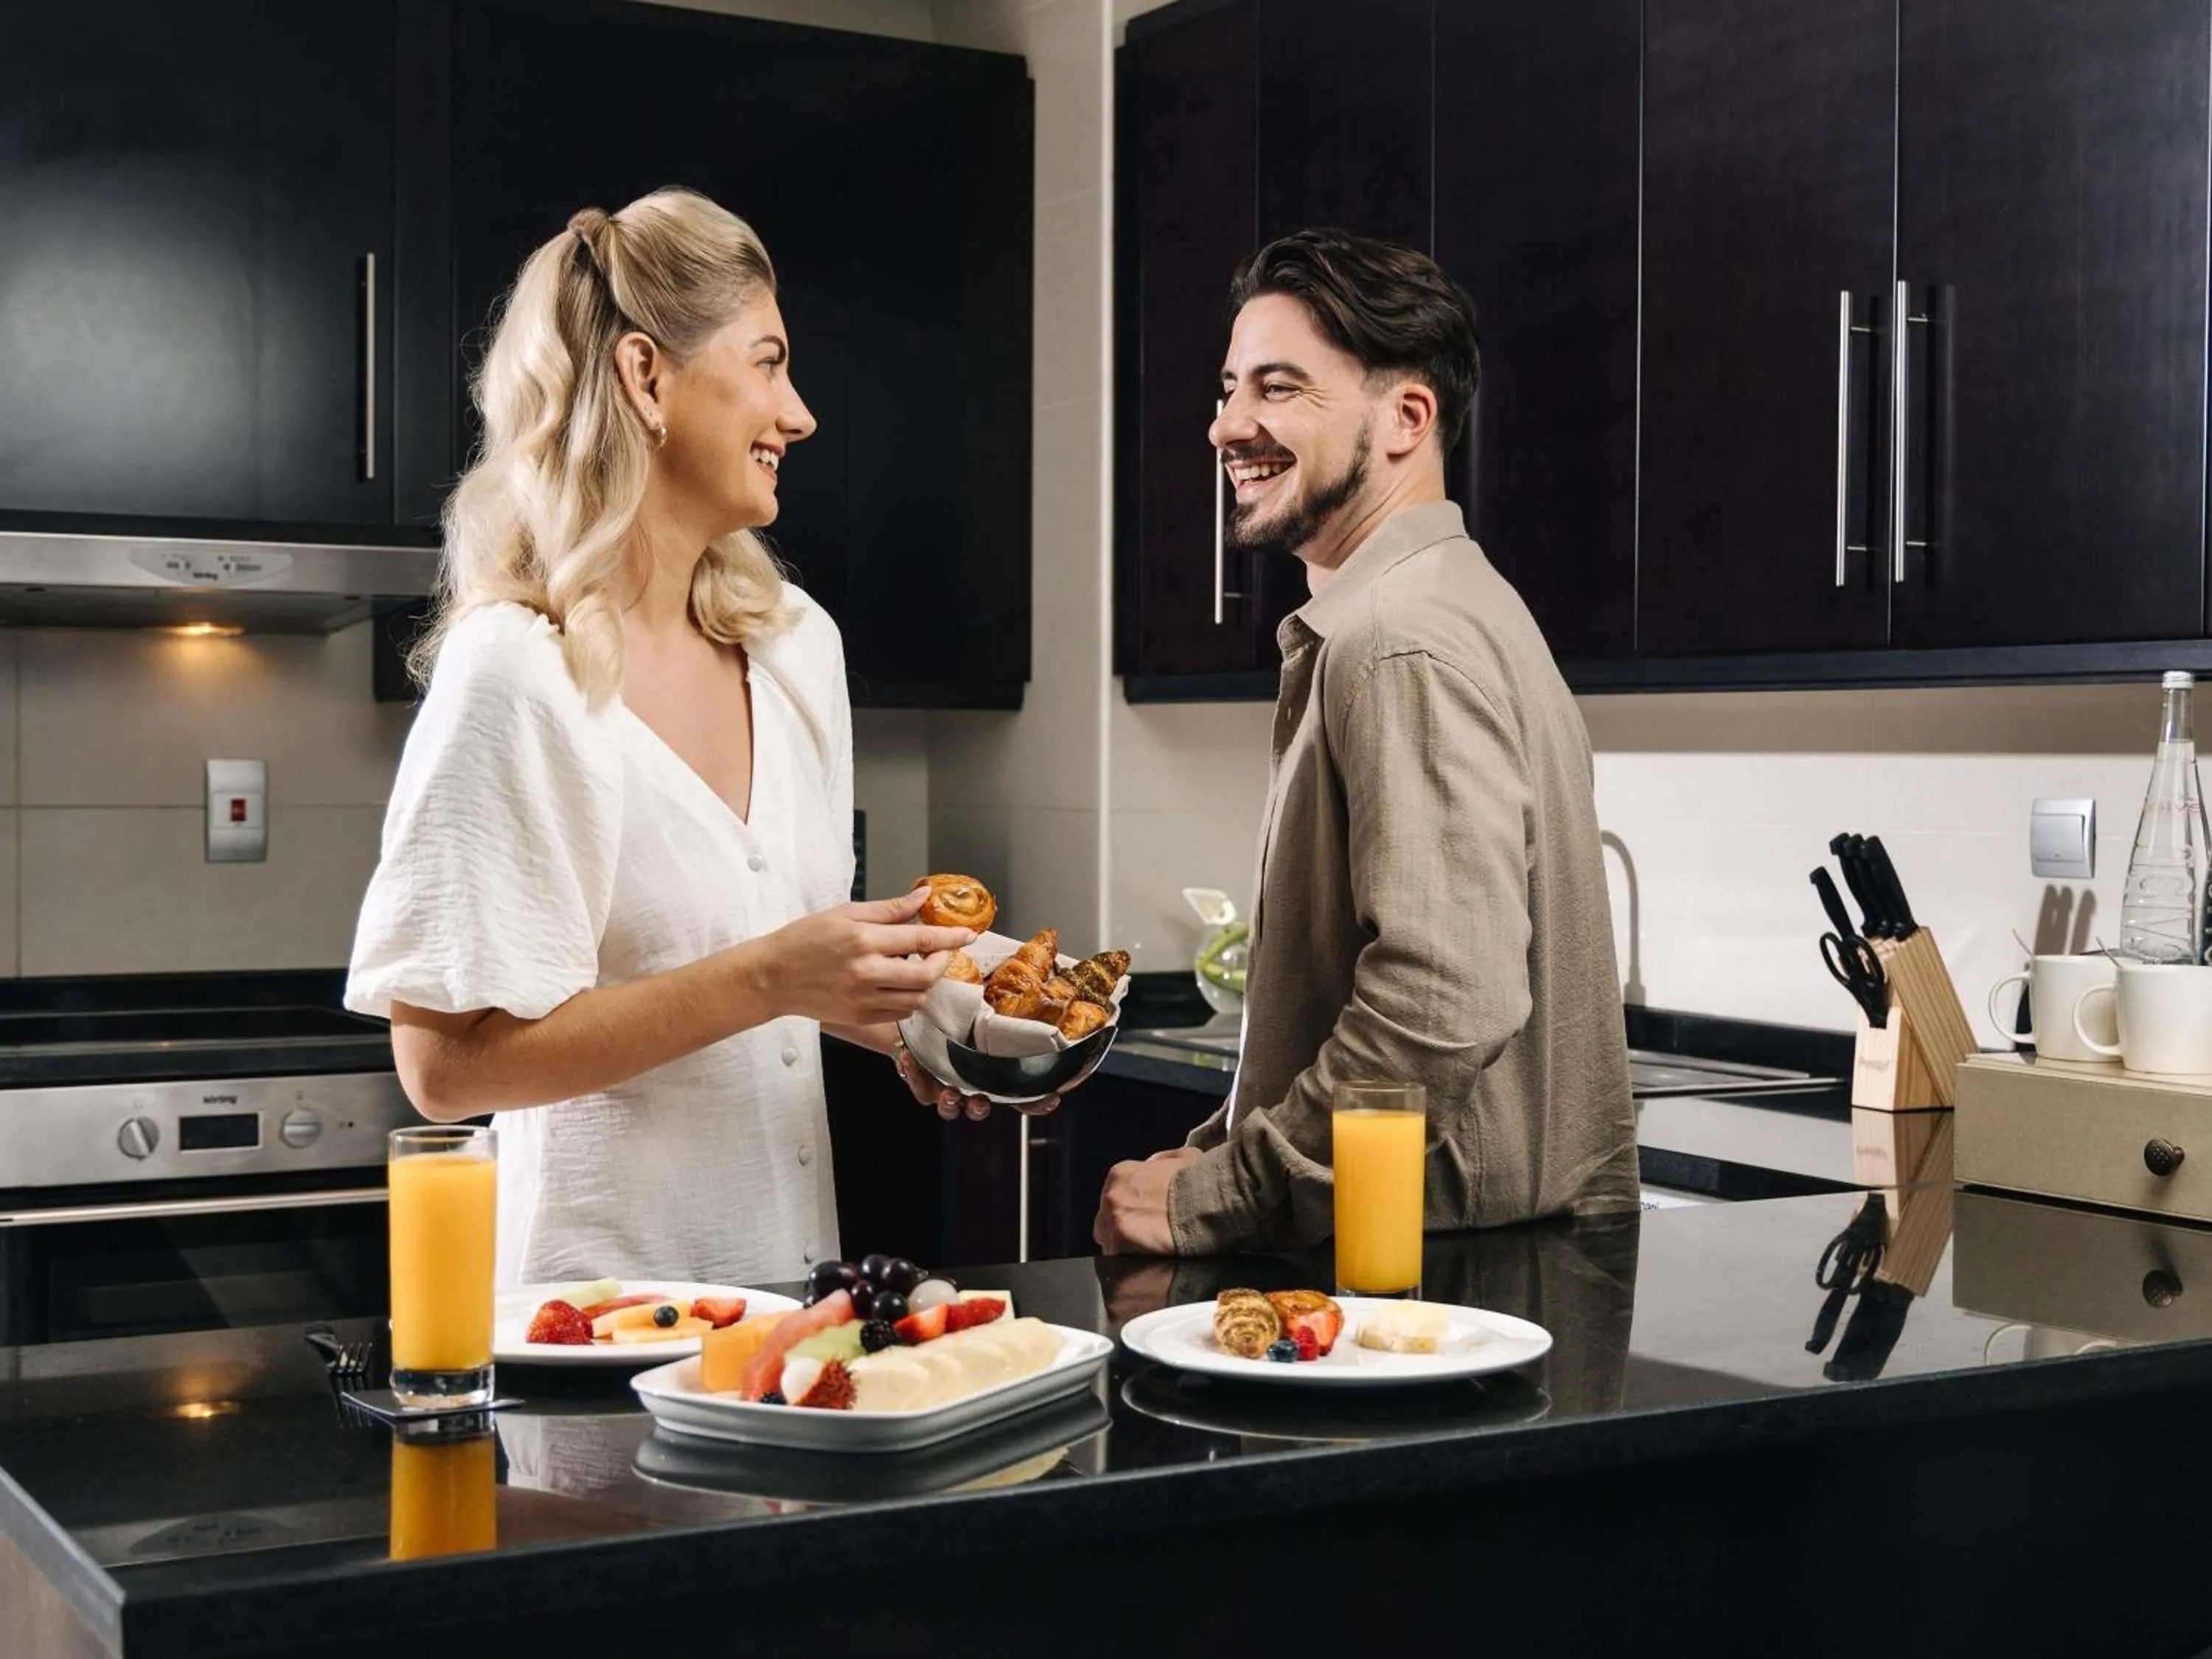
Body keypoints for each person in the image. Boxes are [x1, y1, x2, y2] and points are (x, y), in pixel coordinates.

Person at [347, 187, 988, 1289]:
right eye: (770, 362)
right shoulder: (516, 671)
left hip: (792, 1323)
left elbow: (788, 972)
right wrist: (774, 977)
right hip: (595, 1340)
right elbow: (444, 1067)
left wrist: (945, 1025)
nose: (801, 414)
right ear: (648, 377)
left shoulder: (796, 648)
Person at [1094, 229, 1639, 1256]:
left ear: (1406, 417)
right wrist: (1217, 1154)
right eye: (1227, 388)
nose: (1226, 426)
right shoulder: (1454, 606)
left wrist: (1218, 1195)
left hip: (1421, 1285)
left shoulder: (1400, 640)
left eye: (1279, 388)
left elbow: (1441, 1003)